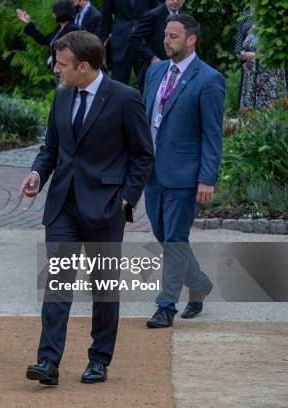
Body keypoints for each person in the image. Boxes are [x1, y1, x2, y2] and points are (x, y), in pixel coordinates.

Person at [20, 31, 154, 385]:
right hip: (62, 205)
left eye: (62, 65)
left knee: (104, 288)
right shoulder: (62, 97)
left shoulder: (125, 98)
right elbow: (51, 147)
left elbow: (143, 155)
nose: (56, 71)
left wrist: (126, 198)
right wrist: (37, 173)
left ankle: (99, 359)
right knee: (57, 284)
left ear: (84, 65)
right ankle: (47, 362)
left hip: (106, 207)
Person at [142, 14, 224, 328]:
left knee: (175, 237)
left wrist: (207, 177)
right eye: (166, 35)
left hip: (185, 174)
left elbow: (212, 134)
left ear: (191, 40)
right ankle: (200, 283)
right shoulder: (155, 71)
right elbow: (146, 118)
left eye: (173, 36)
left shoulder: (209, 79)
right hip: (152, 172)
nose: (166, 40)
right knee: (164, 235)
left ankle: (166, 306)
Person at [235, 7, 286, 110]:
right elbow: (239, 43)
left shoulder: (275, 11)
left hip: (270, 71)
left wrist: (255, 56)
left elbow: (280, 50)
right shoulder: (245, 13)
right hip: (250, 72)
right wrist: (242, 59)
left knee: (270, 109)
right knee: (250, 111)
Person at [129, 0, 185, 92]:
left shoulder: (185, 17)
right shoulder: (154, 15)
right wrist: (152, 57)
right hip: (155, 69)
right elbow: (134, 38)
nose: (175, 1)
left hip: (175, 69)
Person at [100, 0, 158, 84]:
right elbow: (105, 18)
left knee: (148, 84)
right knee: (118, 85)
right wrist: (102, 45)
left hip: (144, 43)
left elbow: (155, 13)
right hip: (120, 45)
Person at [16, 0, 80, 71]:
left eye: (54, 12)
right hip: (58, 70)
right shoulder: (59, 28)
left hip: (67, 71)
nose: (53, 15)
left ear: (61, 13)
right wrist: (28, 23)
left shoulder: (73, 30)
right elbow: (43, 40)